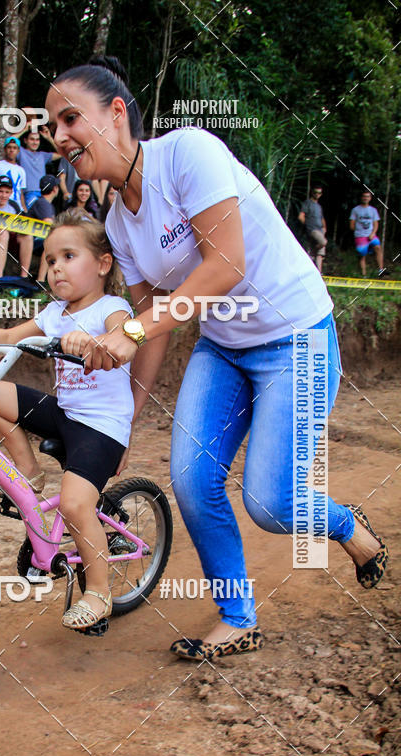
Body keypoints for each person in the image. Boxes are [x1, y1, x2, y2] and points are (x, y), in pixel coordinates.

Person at [45, 56, 389, 660]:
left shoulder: (188, 153)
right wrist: (126, 411)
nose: (60, 136)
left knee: (272, 502)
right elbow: (152, 330)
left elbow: (226, 264)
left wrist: (136, 325)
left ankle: (342, 525)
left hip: (297, 336)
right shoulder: (119, 225)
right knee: (193, 479)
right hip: (224, 349)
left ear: (117, 113)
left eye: (71, 118)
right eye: (53, 127)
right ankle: (239, 618)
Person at [0, 209, 134, 631]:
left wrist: (95, 340)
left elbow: (125, 338)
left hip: (101, 428)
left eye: (68, 256)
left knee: (75, 504)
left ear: (102, 264)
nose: (56, 267)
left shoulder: (112, 307)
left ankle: (98, 594)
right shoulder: (53, 312)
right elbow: (10, 337)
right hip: (64, 414)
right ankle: (27, 468)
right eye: (49, 260)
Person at [0, 175, 33, 279]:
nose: (3, 195)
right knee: (3, 233)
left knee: (28, 237)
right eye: (1, 191)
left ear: (11, 193)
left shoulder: (13, 205)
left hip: (11, 239)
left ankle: (24, 276)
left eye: (7, 192)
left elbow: (23, 226)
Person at [17, 126, 61, 208]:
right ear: (25, 140)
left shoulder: (42, 155)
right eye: (32, 139)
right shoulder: (21, 152)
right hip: (29, 193)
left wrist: (49, 138)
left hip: (44, 194)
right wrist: (24, 130)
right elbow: (8, 141)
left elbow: (62, 154)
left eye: (37, 139)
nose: (35, 142)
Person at [27, 174, 59, 282]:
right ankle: (40, 280)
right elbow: (49, 224)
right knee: (51, 242)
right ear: (55, 189)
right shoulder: (43, 203)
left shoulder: (44, 203)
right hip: (33, 240)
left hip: (36, 240)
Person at [349, 191, 388, 277]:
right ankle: (364, 275)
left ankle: (380, 270)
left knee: (378, 247)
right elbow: (352, 224)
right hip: (360, 236)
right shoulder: (355, 210)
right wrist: (359, 231)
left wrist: (373, 233)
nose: (365, 198)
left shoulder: (373, 210)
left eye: (367, 196)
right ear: (361, 197)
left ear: (370, 198)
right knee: (362, 255)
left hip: (371, 235)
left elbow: (376, 224)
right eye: (364, 196)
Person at [298, 186, 327, 273]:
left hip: (320, 230)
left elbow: (322, 218)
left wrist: (324, 228)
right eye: (315, 192)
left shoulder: (319, 206)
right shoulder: (307, 203)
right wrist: (307, 226)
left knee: (320, 254)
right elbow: (301, 216)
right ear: (312, 192)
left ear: (321, 194)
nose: (317, 194)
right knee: (323, 242)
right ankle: (311, 252)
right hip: (312, 230)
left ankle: (318, 273)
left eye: (319, 193)